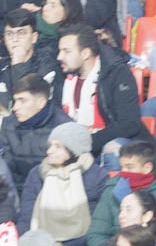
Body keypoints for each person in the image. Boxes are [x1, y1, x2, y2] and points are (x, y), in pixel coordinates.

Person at [53, 26, 150, 164]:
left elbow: (129, 124)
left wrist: (87, 142)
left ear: (85, 53)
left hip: (105, 141)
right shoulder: (61, 77)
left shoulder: (117, 74)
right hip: (71, 144)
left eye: (66, 51)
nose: (59, 57)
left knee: (115, 150)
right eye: (59, 51)